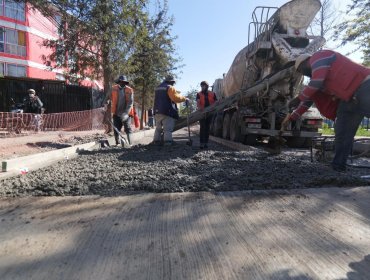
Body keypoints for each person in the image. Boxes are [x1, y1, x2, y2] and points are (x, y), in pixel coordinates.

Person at [281, 50, 370, 172]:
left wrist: (298, 98)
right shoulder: (320, 80)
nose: (303, 74)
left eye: (301, 70)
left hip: (365, 85)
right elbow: (306, 102)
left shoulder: (318, 57)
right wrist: (292, 117)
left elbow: (315, 83)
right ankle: (338, 167)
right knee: (342, 132)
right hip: (349, 99)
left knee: (343, 131)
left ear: (304, 62)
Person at [153, 75, 189, 145]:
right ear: (171, 81)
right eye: (173, 82)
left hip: (157, 111)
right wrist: (185, 98)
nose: (174, 84)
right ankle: (168, 143)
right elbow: (175, 98)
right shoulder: (170, 87)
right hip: (167, 111)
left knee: (158, 128)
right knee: (167, 129)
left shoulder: (158, 88)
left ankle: (156, 142)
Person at [111, 75, 134, 146]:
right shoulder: (113, 88)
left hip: (126, 113)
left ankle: (130, 143)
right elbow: (108, 97)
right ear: (119, 82)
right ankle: (117, 143)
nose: (122, 83)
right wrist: (105, 104)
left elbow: (130, 102)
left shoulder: (129, 90)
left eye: (124, 82)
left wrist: (126, 113)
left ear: (126, 82)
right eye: (121, 82)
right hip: (116, 112)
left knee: (128, 128)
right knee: (116, 128)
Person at [196, 81, 217, 149]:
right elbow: (198, 102)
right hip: (202, 113)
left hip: (210, 113)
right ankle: (201, 143)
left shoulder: (213, 93)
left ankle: (206, 143)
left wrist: (215, 106)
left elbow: (216, 102)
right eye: (201, 86)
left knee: (207, 128)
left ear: (207, 86)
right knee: (202, 128)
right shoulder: (199, 94)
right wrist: (200, 108)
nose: (202, 87)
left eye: (203, 86)